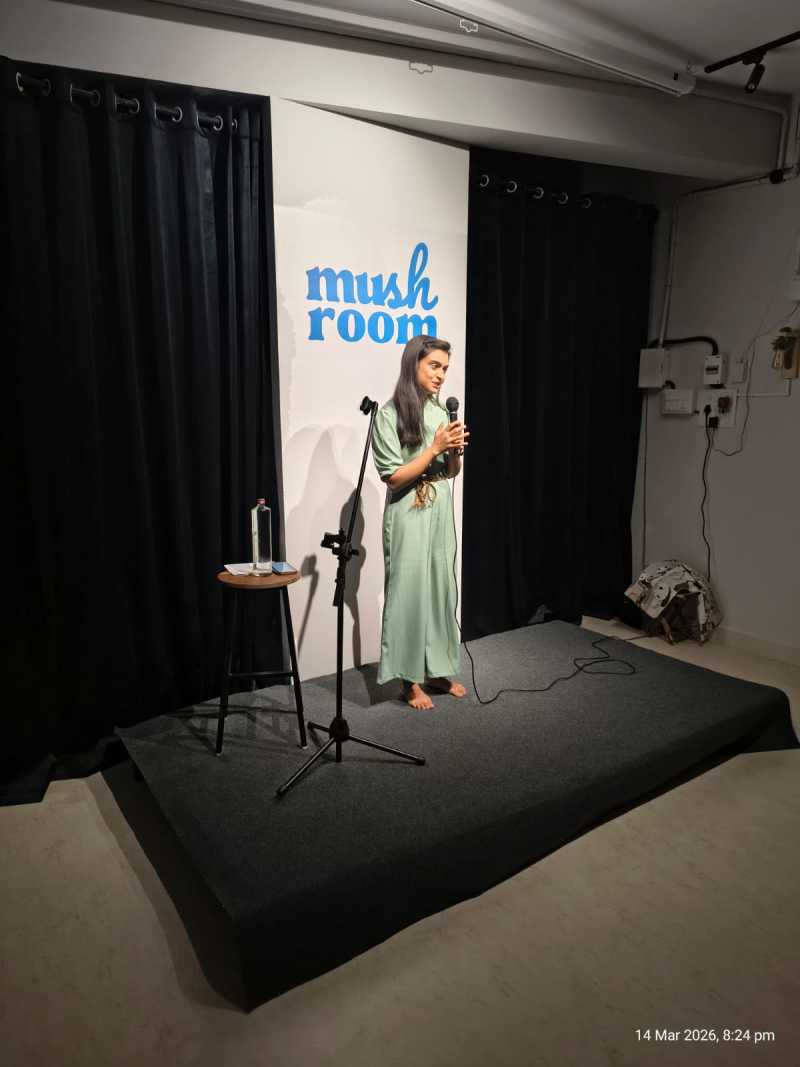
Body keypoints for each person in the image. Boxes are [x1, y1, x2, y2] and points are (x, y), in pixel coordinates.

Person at [371, 334, 470, 710]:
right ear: (413, 364)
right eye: (434, 365)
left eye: (445, 368)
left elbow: (451, 471)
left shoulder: (442, 412)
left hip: (439, 507)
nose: (441, 374)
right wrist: (434, 448)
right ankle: (409, 681)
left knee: (440, 589)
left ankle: (437, 669)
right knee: (410, 593)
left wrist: (455, 451)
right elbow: (394, 477)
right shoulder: (389, 414)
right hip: (408, 509)